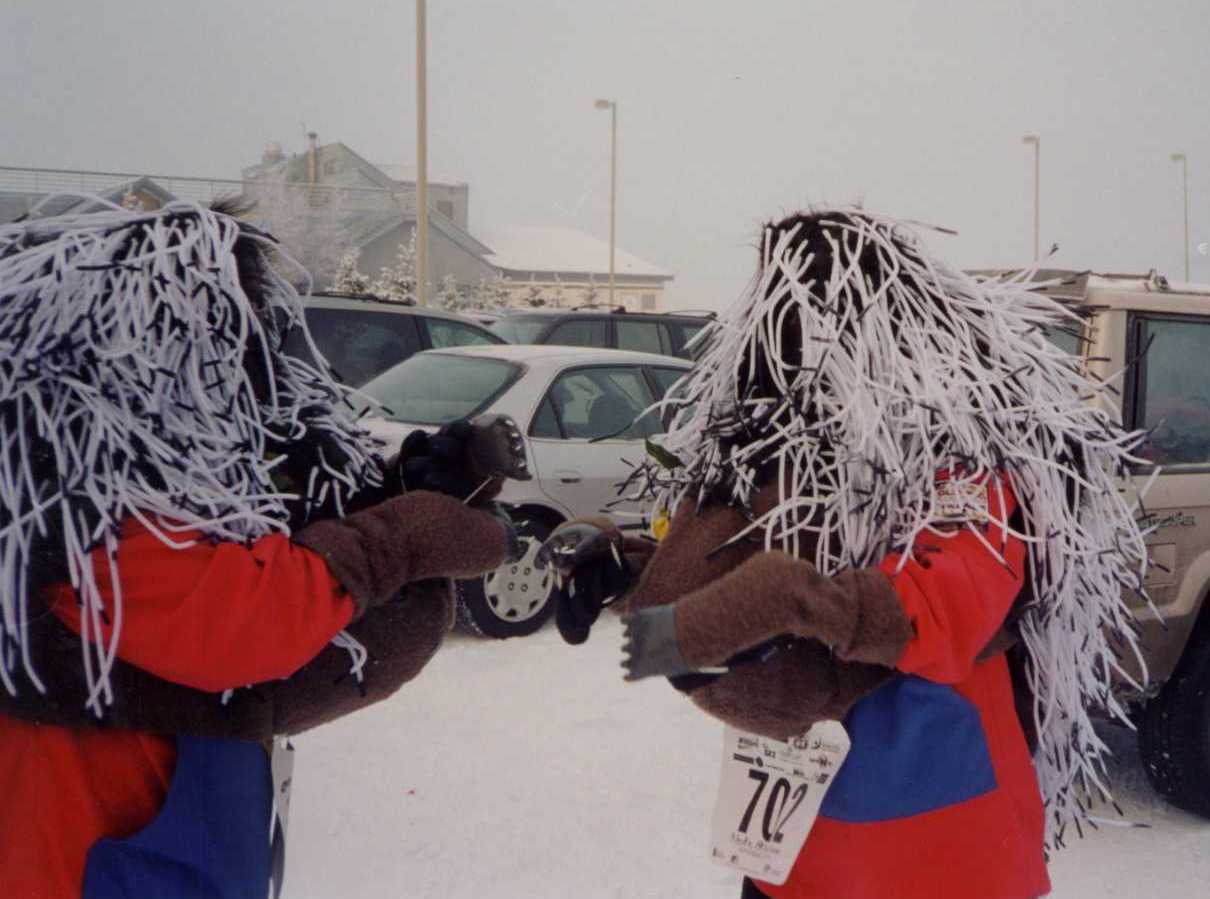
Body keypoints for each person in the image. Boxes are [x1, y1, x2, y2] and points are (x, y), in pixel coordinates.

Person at [540, 210, 1152, 899]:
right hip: (793, 851)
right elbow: (739, 553)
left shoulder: (961, 459)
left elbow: (948, 606)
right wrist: (628, 567)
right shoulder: (787, 445)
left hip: (933, 853)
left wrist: (800, 601)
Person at [0, 201, 521, 898]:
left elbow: (252, 558)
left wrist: (389, 490)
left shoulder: (117, 484)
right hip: (89, 867)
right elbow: (245, 623)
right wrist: (398, 537)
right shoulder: (71, 512)